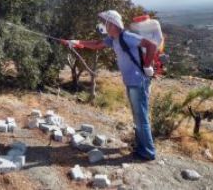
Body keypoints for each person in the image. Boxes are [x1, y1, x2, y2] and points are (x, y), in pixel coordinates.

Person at [62, 10, 157, 160]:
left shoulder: (127, 36)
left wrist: (146, 66)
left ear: (112, 23)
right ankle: (141, 147)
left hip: (138, 82)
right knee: (138, 116)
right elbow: (96, 44)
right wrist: (75, 42)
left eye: (105, 22)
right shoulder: (114, 39)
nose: (103, 25)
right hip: (131, 82)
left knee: (141, 117)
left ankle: (148, 152)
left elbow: (151, 46)